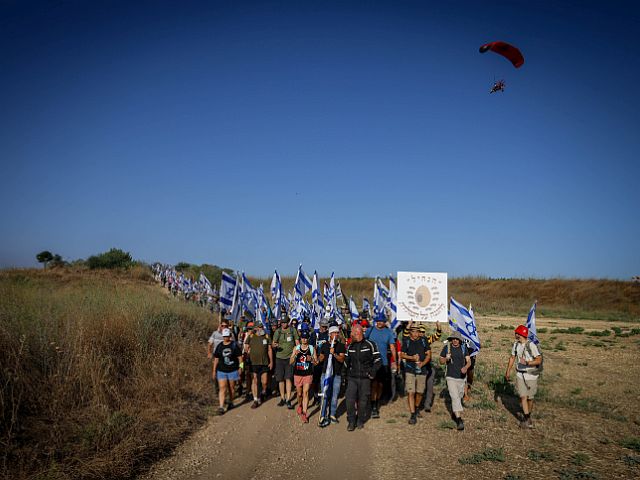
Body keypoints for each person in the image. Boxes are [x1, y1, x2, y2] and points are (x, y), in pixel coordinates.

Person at [344, 324, 381, 431]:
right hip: (352, 378)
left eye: (352, 333)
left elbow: (378, 360)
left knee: (363, 401)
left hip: (365, 378)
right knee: (349, 400)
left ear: (358, 333)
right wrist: (344, 377)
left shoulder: (370, 344)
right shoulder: (350, 346)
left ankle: (360, 420)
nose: (351, 335)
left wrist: (373, 372)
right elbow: (346, 363)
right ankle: (351, 421)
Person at [505, 324, 542, 428]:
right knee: (523, 396)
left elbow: (539, 360)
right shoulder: (516, 345)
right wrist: (508, 371)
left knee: (530, 398)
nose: (515, 335)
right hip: (520, 375)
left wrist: (527, 363)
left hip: (531, 375)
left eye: (516, 333)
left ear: (519, 334)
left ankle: (528, 416)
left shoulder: (531, 345)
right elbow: (512, 357)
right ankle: (526, 418)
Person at [365, 311, 397, 418]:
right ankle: (374, 406)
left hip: (384, 363)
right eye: (378, 321)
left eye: (381, 321)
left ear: (385, 322)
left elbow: (392, 347)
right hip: (372, 362)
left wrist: (395, 361)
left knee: (381, 385)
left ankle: (376, 401)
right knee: (373, 384)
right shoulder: (370, 330)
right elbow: (363, 342)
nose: (379, 323)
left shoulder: (388, 332)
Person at [439, 331, 471, 431]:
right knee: (455, 396)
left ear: (459, 340)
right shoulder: (447, 348)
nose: (455, 340)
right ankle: (459, 420)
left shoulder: (463, 348)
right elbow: (441, 361)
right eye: (453, 339)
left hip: (461, 377)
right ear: (451, 339)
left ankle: (454, 412)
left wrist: (466, 367)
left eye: (457, 339)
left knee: (460, 395)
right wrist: (446, 359)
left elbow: (468, 361)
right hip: (450, 376)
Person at [400, 325, 431, 425]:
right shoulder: (407, 341)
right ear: (410, 332)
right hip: (410, 369)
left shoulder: (424, 340)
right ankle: (413, 414)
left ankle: (417, 407)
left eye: (417, 331)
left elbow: (429, 354)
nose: (416, 333)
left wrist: (423, 363)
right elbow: (402, 354)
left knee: (420, 392)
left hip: (422, 370)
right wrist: (412, 358)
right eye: (414, 331)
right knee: (411, 392)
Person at [318, 325, 346, 427]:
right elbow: (320, 358)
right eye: (334, 332)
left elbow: (342, 359)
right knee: (325, 395)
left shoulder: (341, 346)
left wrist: (334, 354)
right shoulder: (324, 345)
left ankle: (332, 415)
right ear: (329, 334)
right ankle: (323, 416)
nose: (336, 334)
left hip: (337, 375)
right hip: (326, 374)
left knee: (334, 397)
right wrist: (317, 358)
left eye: (337, 333)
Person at [272, 313, 300, 409]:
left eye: (285, 322)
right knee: (280, 379)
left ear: (288, 322)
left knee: (288, 378)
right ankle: (282, 398)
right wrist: (275, 345)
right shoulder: (278, 331)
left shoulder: (293, 330)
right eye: (282, 322)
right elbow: (273, 343)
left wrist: (294, 353)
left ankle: (288, 399)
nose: (284, 324)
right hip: (279, 358)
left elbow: (297, 343)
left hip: (289, 358)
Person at [212, 328, 243, 414]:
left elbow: (240, 358)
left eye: (227, 336)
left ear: (230, 336)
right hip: (221, 370)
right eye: (224, 336)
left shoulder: (234, 345)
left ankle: (231, 402)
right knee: (222, 388)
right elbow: (216, 359)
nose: (226, 338)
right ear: (223, 336)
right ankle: (221, 406)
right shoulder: (220, 346)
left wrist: (241, 368)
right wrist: (214, 370)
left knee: (231, 388)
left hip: (233, 370)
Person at [244, 322, 274, 409]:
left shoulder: (266, 336)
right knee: (255, 381)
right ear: (255, 328)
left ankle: (263, 392)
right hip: (253, 363)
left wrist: (271, 361)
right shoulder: (251, 336)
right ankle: (255, 400)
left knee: (264, 382)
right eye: (259, 327)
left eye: (262, 327)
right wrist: (247, 351)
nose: (261, 328)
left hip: (264, 362)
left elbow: (269, 350)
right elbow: (246, 347)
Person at [290, 330, 317, 423]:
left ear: (308, 338)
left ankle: (304, 414)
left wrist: (312, 359)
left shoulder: (311, 348)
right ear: (300, 339)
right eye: (302, 338)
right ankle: (300, 405)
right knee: (299, 394)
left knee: (305, 393)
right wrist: (295, 356)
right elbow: (290, 361)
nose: (304, 339)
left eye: (305, 338)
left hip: (307, 374)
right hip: (298, 374)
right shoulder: (296, 348)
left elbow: (316, 362)